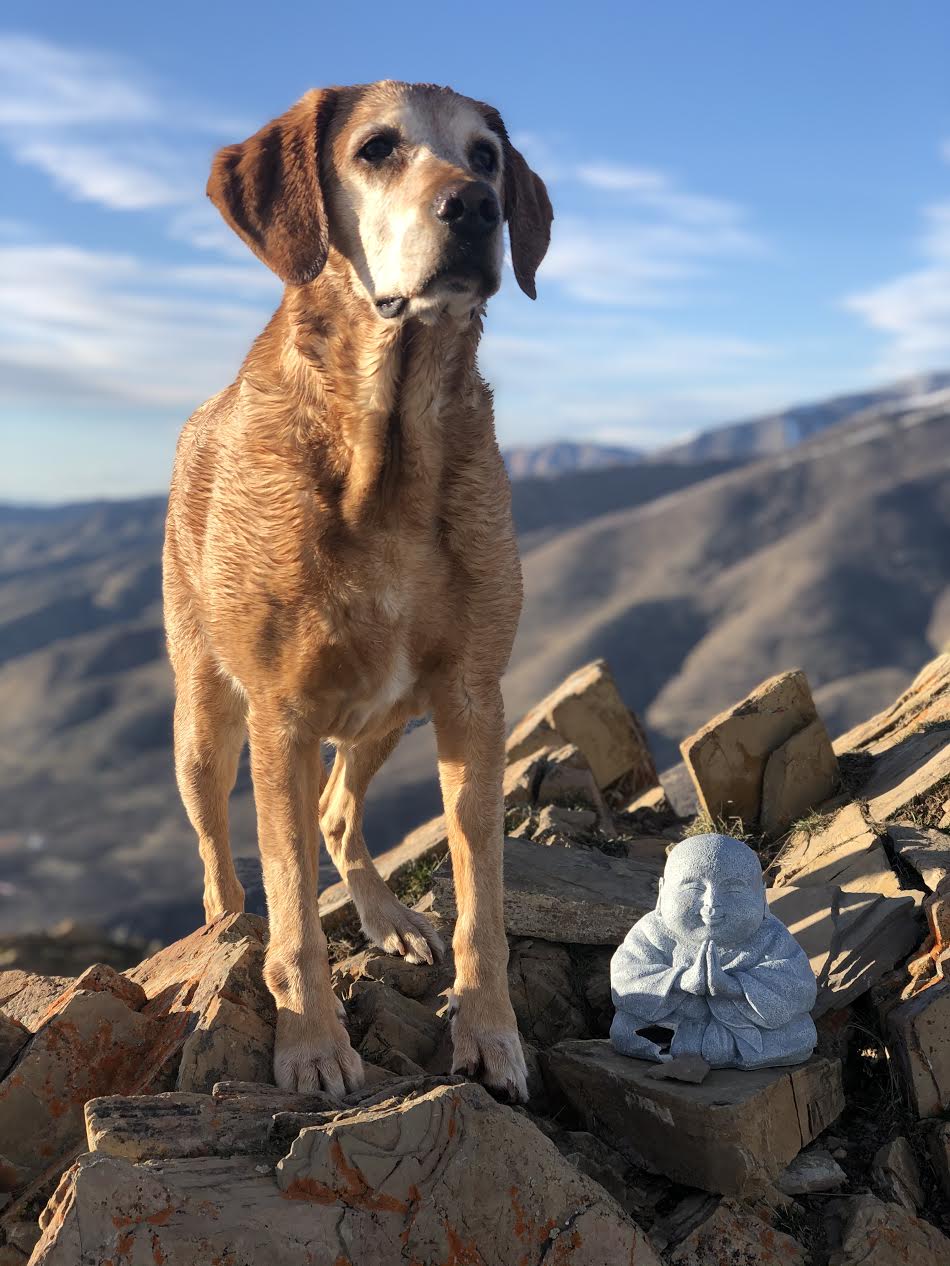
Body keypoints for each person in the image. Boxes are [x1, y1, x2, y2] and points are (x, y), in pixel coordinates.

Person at [610, 834, 817, 1069]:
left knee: (799, 1034)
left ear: (762, 896)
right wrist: (680, 982)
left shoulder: (771, 935)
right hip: (677, 1024)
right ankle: (710, 1048)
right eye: (693, 887)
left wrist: (735, 987)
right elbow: (625, 979)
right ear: (662, 892)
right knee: (626, 1029)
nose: (711, 905)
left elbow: (800, 988)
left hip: (745, 1029)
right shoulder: (652, 931)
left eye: (733, 891)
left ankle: (698, 1049)